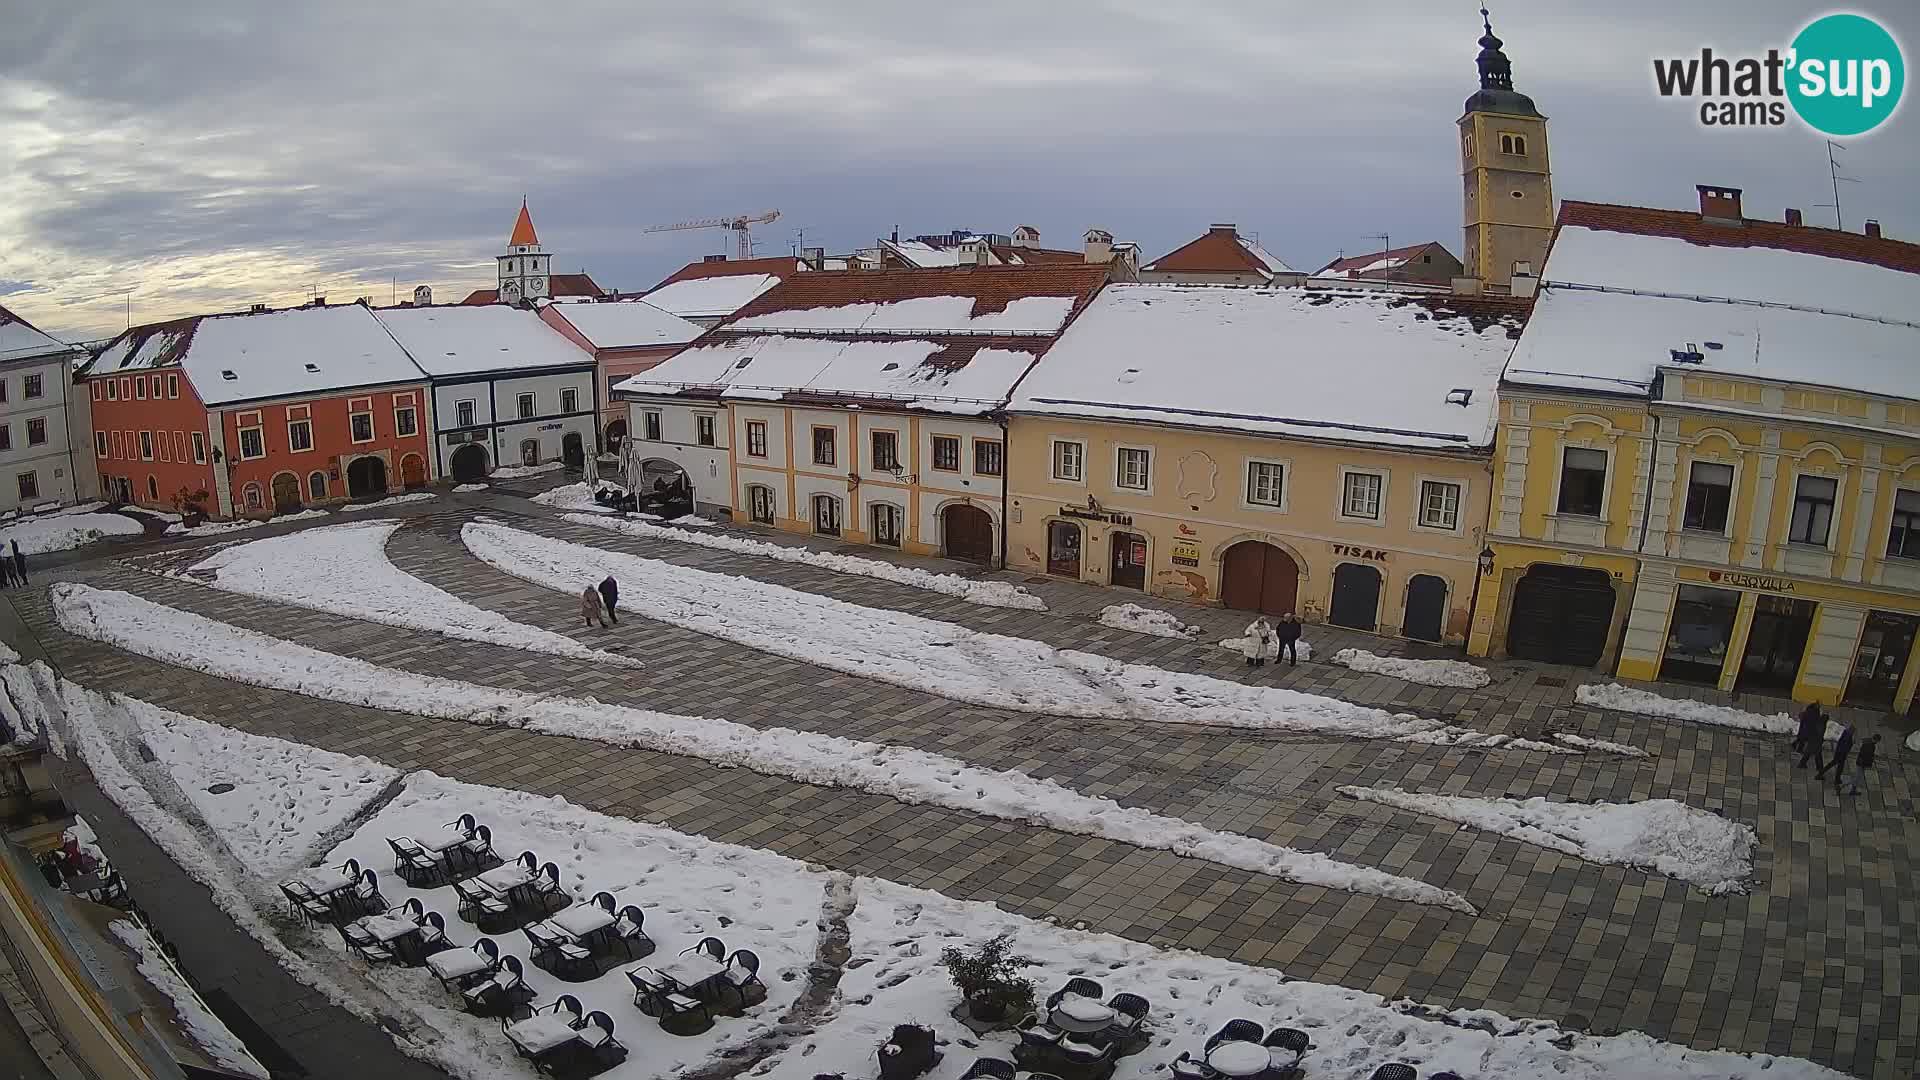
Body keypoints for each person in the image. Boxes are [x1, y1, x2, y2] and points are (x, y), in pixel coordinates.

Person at [1816, 722, 1855, 790]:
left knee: (1834, 765)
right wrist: (1844, 754)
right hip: (1841, 755)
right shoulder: (1848, 737)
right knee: (1838, 767)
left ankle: (1822, 774)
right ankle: (1836, 780)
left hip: (1838, 752)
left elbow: (1840, 742)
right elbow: (1845, 747)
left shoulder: (1845, 733)